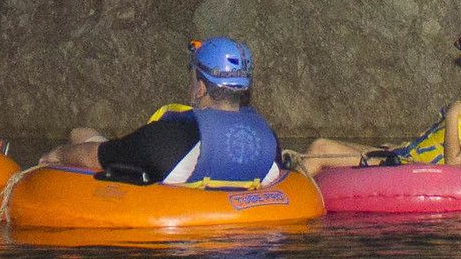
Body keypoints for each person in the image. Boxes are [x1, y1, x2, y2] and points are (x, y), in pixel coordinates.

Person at [37, 36, 283, 187]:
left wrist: (58, 155)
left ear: (199, 88)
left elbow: (94, 156)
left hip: (163, 184)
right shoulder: (267, 139)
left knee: (80, 135)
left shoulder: (168, 137)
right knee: (84, 133)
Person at [302, 37, 461, 174]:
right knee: (335, 146)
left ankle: (281, 197)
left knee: (320, 148)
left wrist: (451, 119)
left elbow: (454, 164)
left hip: (414, 174)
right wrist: (405, 147)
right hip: (409, 161)